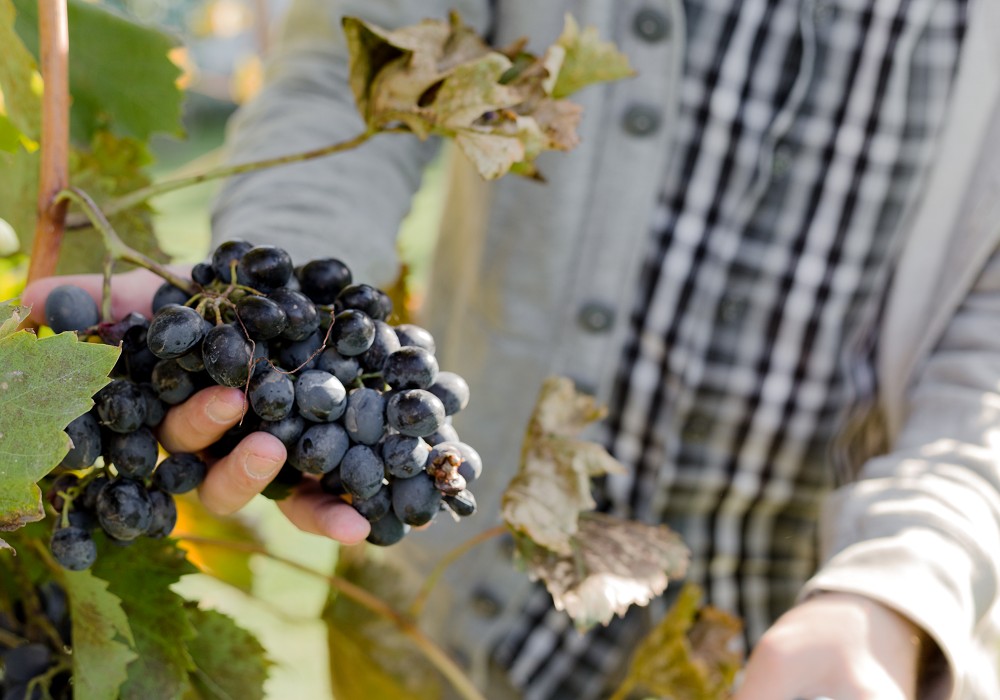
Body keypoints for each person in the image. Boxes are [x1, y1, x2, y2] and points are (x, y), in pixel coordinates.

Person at [23, 0, 1000, 698]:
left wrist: (892, 591)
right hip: (441, 624)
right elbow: (353, 66)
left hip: (806, 634)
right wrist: (270, 308)